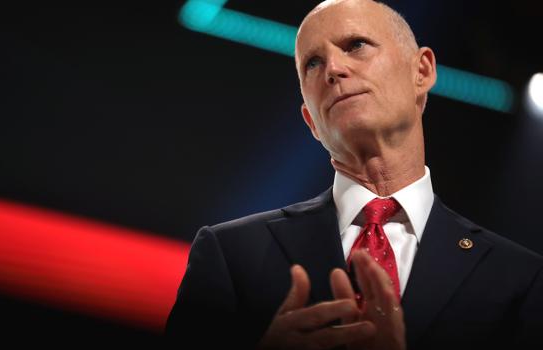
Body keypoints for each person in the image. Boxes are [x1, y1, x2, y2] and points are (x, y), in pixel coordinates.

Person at [165, 0, 543, 349]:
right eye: (312, 63)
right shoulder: (230, 256)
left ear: (422, 71)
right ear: (311, 120)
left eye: (356, 45)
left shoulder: (520, 279)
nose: (333, 69)